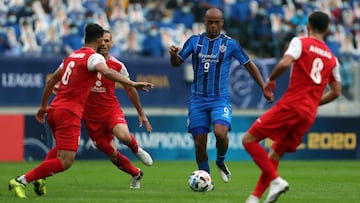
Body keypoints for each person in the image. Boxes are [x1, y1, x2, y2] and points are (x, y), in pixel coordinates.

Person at [8, 23, 153, 198]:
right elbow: (106, 73)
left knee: (62, 150)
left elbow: (51, 81)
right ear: (99, 40)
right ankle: (22, 180)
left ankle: (40, 178)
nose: (105, 43)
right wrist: (132, 83)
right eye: (103, 40)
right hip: (71, 112)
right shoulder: (94, 58)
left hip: (56, 109)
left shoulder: (72, 56)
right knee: (66, 161)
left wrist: (43, 107)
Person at [243, 11, 341, 203]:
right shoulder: (332, 58)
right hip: (309, 114)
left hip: (292, 105)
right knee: (275, 153)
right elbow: (336, 91)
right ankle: (254, 198)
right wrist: (314, 103)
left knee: (249, 139)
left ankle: (276, 180)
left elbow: (285, 62)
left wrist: (270, 80)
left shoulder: (300, 42)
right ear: (327, 29)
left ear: (308, 26)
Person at [168, 7, 270, 187]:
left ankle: (220, 161)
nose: (213, 26)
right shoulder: (194, 41)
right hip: (197, 100)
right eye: (210, 22)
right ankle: (206, 179)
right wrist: (173, 55)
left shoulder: (230, 44)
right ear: (205, 22)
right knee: (200, 142)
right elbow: (177, 64)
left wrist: (264, 87)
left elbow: (249, 65)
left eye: (217, 22)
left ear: (222, 23)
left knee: (220, 133)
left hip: (219, 99)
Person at [82, 30, 153, 189]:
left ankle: (137, 149)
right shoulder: (86, 62)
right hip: (91, 117)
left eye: (107, 41)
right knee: (112, 155)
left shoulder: (117, 65)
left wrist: (140, 112)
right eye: (102, 41)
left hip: (110, 110)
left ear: (112, 43)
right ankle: (135, 173)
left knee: (124, 136)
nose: (104, 44)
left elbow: (129, 89)